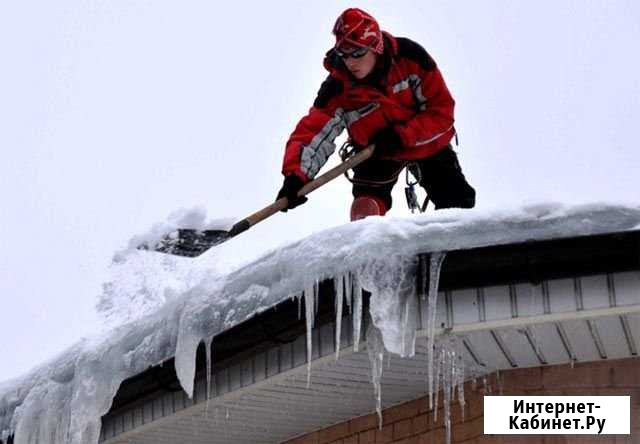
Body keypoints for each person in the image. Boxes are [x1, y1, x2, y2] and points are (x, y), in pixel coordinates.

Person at [277, 8, 475, 221]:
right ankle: (373, 250)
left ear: (376, 47)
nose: (350, 62)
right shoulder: (337, 88)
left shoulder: (411, 58)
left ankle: (456, 247)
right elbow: (312, 132)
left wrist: (402, 136)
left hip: (425, 142)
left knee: (457, 202)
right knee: (365, 211)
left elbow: (442, 111)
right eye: (344, 54)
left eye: (358, 53)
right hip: (374, 152)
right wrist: (296, 176)